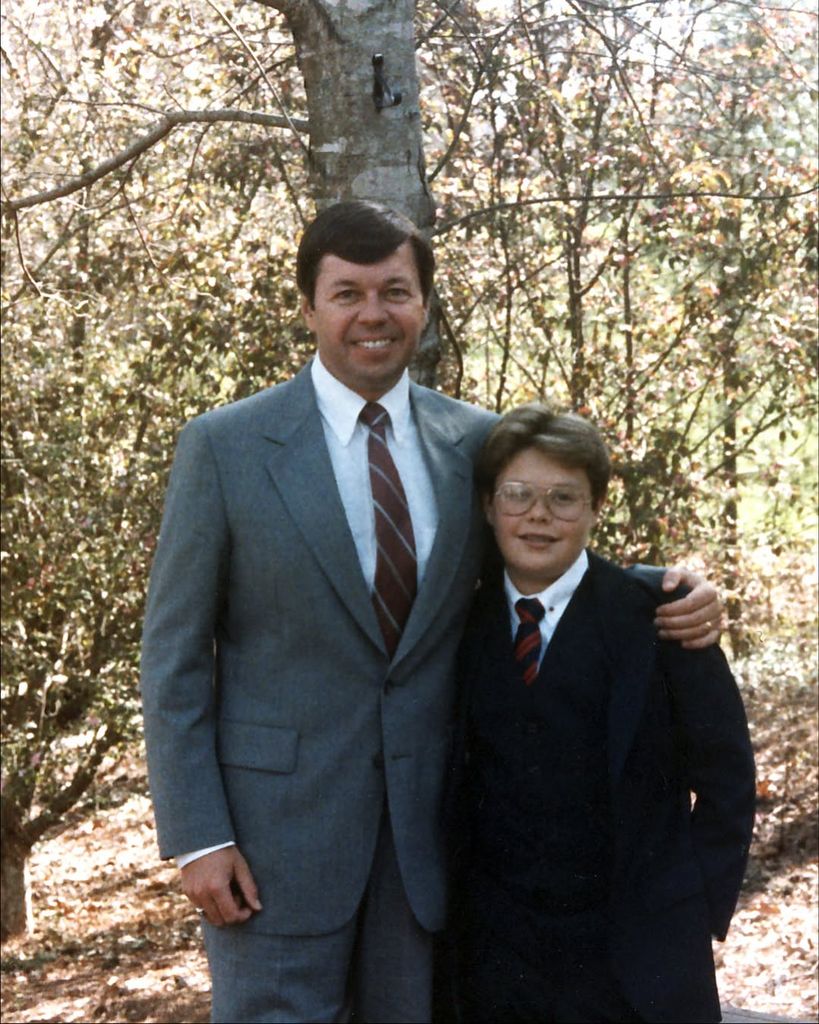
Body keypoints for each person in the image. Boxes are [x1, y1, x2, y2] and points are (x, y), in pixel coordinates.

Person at [140, 201, 722, 1024]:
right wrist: (199, 837)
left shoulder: (473, 442)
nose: (372, 314)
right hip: (274, 847)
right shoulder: (225, 447)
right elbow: (172, 656)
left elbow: (541, 554)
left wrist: (666, 585)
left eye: (394, 291)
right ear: (307, 307)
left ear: (423, 303)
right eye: (346, 293)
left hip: (430, 844)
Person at [448, 403, 756, 1023]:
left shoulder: (660, 618)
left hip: (636, 960)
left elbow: (728, 778)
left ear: (595, 508)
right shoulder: (454, 623)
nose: (539, 515)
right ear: (488, 506)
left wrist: (689, 905)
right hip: (496, 960)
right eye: (518, 495)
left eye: (564, 498)